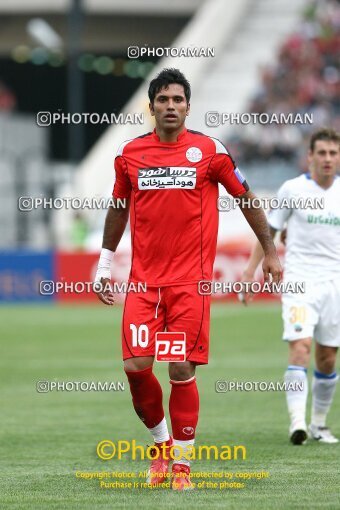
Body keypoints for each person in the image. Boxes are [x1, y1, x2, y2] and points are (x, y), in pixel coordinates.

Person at [95, 68, 282, 489]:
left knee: (180, 369)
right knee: (136, 366)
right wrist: (104, 263)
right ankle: (160, 446)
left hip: (189, 285)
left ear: (188, 106)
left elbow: (246, 198)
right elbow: (118, 207)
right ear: (152, 106)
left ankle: (181, 465)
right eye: (163, 100)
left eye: (178, 100)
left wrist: (269, 252)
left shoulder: (209, 150)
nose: (171, 106)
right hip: (143, 284)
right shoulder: (129, 154)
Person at [242, 128, 340, 445]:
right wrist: (249, 272)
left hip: (335, 283)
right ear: (309, 156)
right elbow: (269, 231)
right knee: (300, 348)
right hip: (299, 281)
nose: (327, 159)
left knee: (327, 358)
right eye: (321, 152)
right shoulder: (292, 189)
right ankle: (297, 423)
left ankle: (319, 424)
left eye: (333, 153)